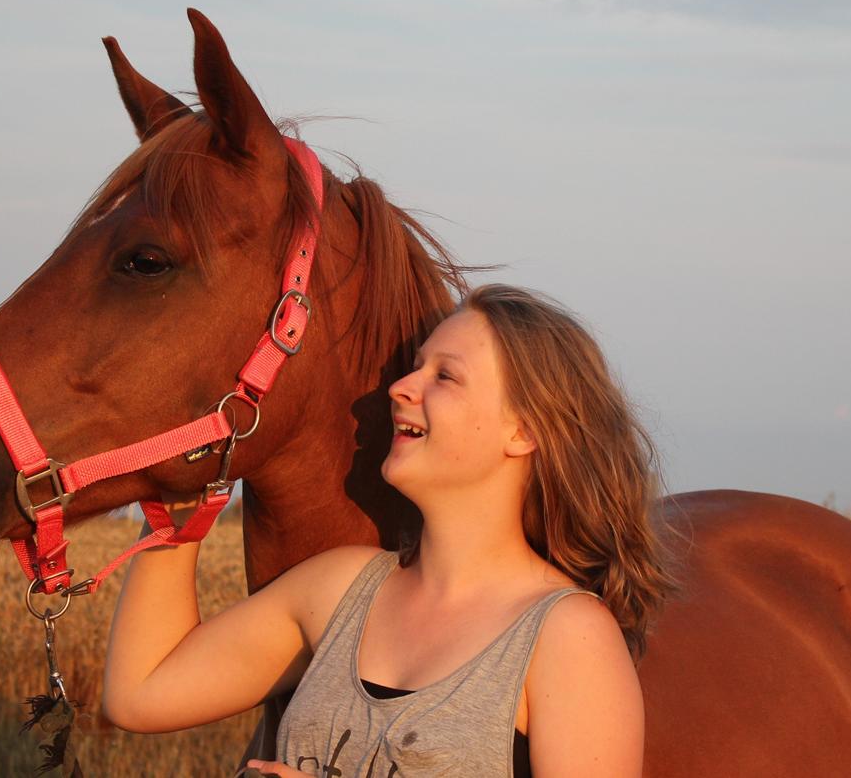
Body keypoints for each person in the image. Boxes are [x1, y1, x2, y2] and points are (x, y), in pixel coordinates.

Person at [102, 284, 682, 777]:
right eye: (416, 367)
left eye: (445, 376)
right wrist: (178, 502)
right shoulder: (340, 590)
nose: (401, 387)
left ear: (523, 432)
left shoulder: (567, 636)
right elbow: (142, 692)